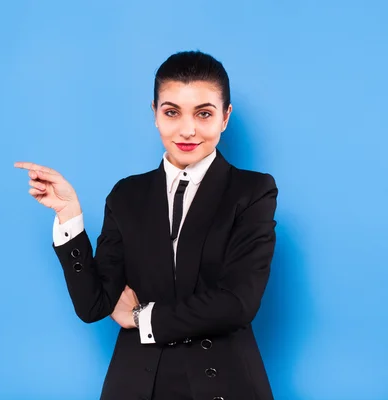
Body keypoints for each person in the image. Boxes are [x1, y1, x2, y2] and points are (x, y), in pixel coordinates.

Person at [15, 50, 278, 400]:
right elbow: (95, 305)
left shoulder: (252, 191)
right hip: (138, 382)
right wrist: (69, 216)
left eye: (204, 114)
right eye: (172, 112)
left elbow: (238, 303)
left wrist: (143, 318)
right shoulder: (127, 195)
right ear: (154, 113)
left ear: (225, 117)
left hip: (222, 379)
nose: (188, 129)